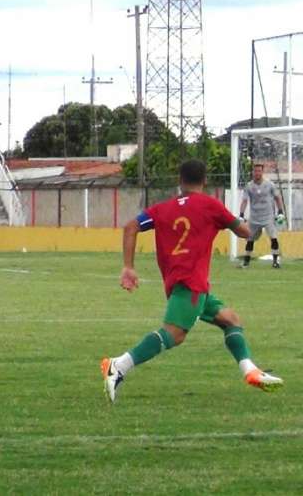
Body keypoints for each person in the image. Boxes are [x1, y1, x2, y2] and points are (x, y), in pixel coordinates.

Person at [101, 159, 284, 404]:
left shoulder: (162, 209)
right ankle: (118, 366)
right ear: (205, 180)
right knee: (174, 335)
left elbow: (130, 227)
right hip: (191, 283)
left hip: (181, 283)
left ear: (180, 181)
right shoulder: (211, 205)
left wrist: (128, 267)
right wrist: (256, 218)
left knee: (230, 319)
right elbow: (245, 232)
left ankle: (250, 370)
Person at [238, 163, 286, 268]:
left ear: (262, 172)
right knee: (250, 238)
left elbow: (277, 198)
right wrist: (241, 214)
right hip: (254, 217)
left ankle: (276, 261)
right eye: (255, 171)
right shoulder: (249, 186)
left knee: (273, 237)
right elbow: (244, 201)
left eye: (259, 171)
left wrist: (280, 212)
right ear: (252, 172)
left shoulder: (270, 184)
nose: (257, 173)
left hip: (268, 216)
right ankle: (246, 262)